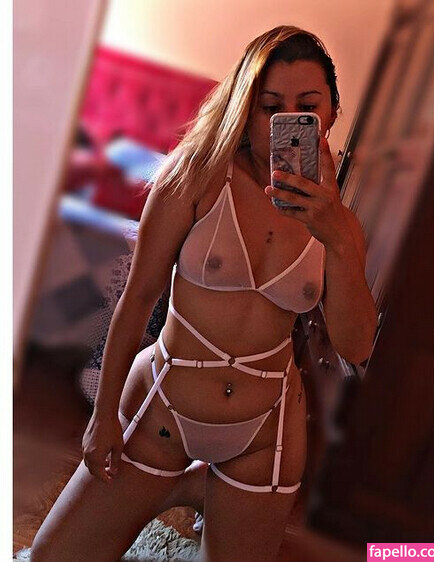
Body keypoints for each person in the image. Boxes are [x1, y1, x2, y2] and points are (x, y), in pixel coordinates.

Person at [30, 25, 377, 562]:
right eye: (270, 107)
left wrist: (335, 238)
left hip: (266, 434)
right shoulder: (195, 178)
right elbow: (138, 297)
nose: (286, 122)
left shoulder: (340, 225)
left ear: (331, 112)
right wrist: (102, 416)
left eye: (307, 107)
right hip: (162, 410)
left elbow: (357, 347)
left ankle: (202, 486)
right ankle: (182, 482)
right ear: (245, 108)